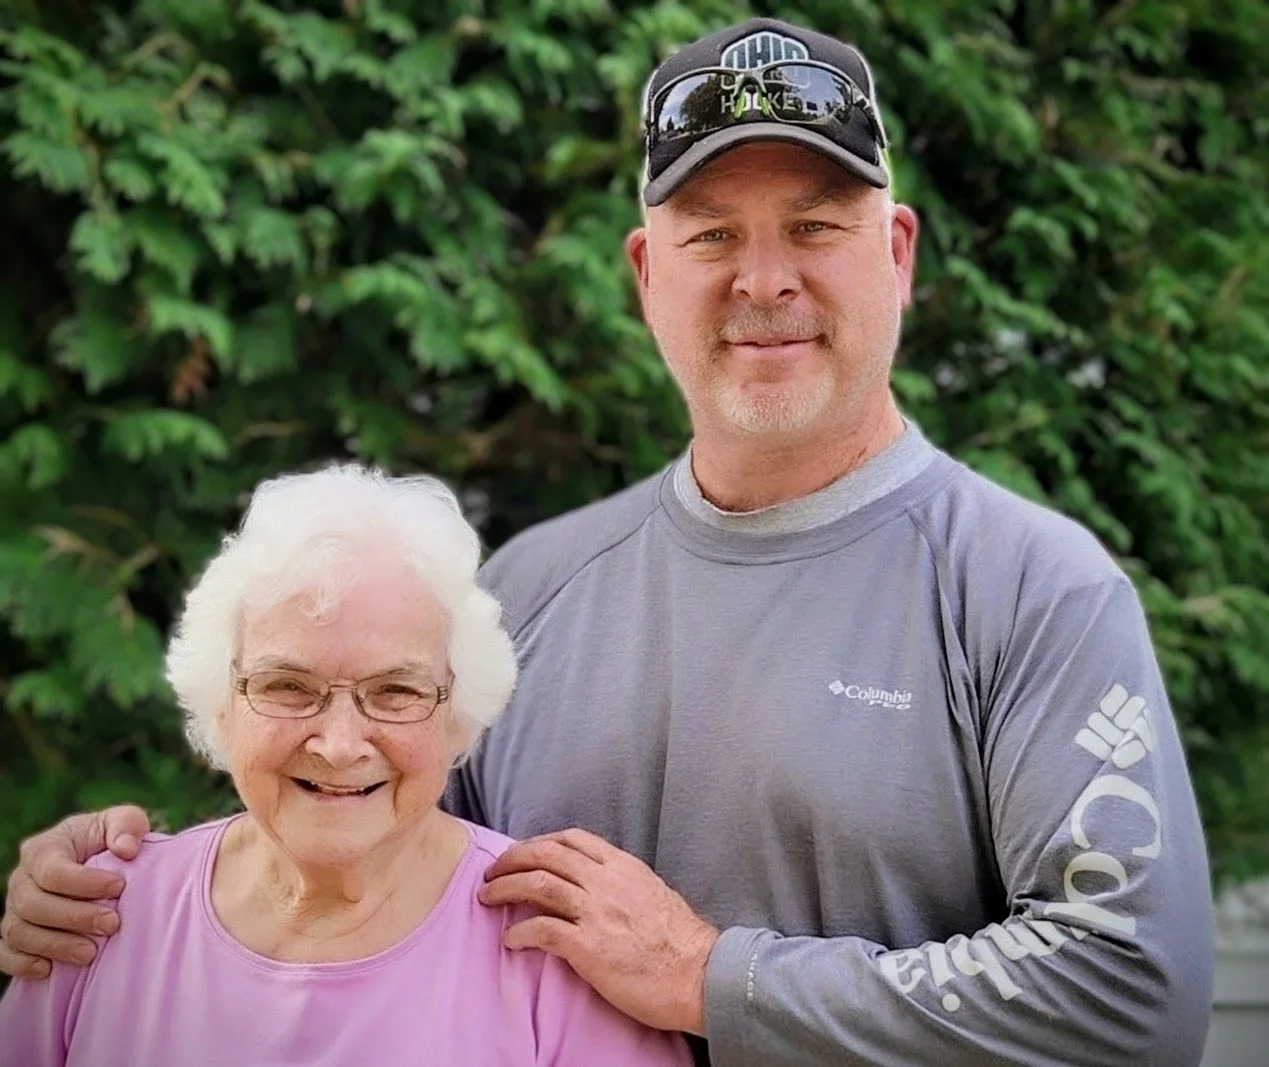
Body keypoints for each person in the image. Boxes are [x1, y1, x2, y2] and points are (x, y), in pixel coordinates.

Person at [1, 16, 1215, 1067]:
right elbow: (355, 844)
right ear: (647, 273)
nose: (764, 279)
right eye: (710, 236)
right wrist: (114, 888)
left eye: (814, 225)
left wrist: (712, 977)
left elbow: (1131, 992)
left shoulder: (1029, 589)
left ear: (896, 253)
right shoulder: (527, 590)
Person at [0, 466, 692, 1067]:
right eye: (287, 686)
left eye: (396, 691)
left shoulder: (556, 947)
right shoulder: (96, 914)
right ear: (220, 701)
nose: (337, 743)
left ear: (458, 716)